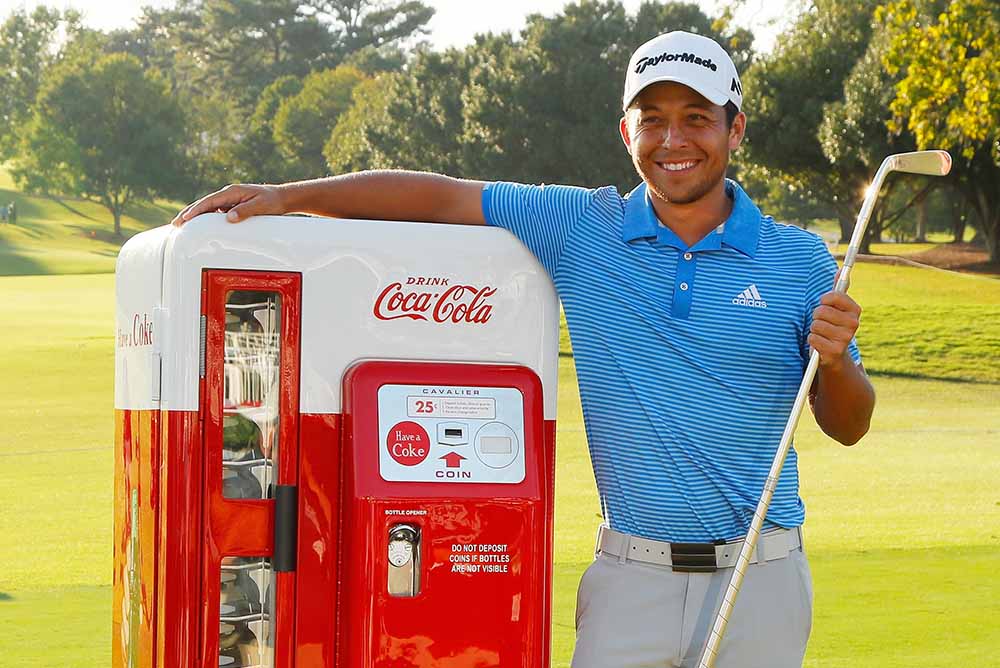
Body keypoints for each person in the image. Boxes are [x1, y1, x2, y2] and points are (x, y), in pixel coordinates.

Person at [174, 30, 875, 668]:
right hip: (632, 578)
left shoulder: (799, 261)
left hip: (762, 576)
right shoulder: (582, 227)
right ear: (626, 129)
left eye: (696, 118)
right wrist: (288, 196)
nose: (673, 140)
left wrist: (837, 360)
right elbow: (440, 199)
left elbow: (849, 424)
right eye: (652, 118)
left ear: (735, 128)